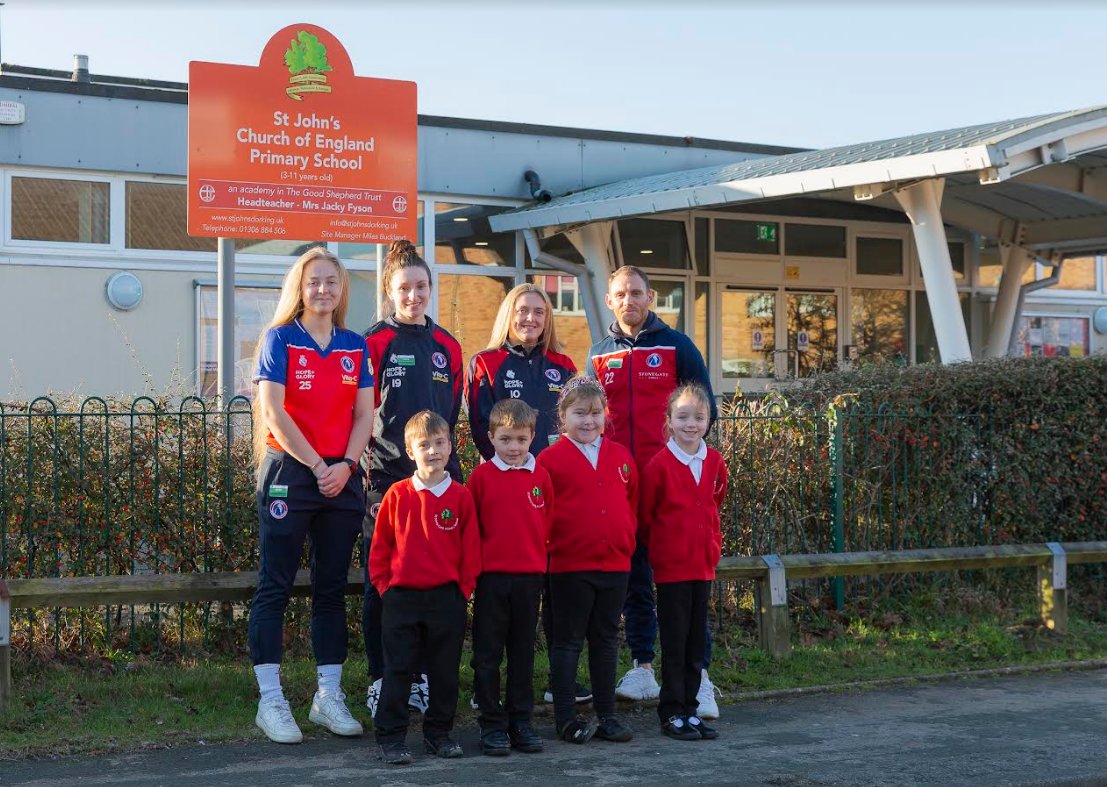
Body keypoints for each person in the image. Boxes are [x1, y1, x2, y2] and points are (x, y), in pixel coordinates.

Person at [248, 247, 375, 744]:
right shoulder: (279, 339)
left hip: (341, 477)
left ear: (342, 290)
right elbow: (275, 413)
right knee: (274, 586)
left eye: (332, 282)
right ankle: (271, 700)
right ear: (298, 288)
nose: (323, 289)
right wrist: (320, 465)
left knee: (330, 589)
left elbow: (364, 416)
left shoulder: (354, 345)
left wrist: (344, 465)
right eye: (314, 281)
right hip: (292, 472)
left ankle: (328, 696)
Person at [588, 264, 720, 717]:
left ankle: (698, 677)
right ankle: (644, 667)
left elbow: (704, 408)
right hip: (621, 489)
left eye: (637, 293)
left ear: (651, 297)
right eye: (621, 294)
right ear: (610, 300)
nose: (629, 300)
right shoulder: (600, 353)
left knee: (685, 583)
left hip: (670, 485)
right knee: (635, 576)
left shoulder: (677, 346)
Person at [465, 282, 590, 706]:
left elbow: (575, 424)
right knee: (499, 604)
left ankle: (561, 681)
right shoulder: (485, 362)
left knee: (556, 590)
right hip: (508, 492)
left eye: (539, 312)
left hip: (557, 489)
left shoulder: (564, 364)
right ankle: (487, 691)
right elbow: (481, 427)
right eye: (522, 311)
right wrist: (514, 469)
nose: (530, 319)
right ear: (508, 314)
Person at [362, 240, 465, 718]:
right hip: (388, 482)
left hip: (440, 485)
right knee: (382, 583)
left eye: (422, 286)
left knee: (434, 588)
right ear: (389, 290)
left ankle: (421, 678)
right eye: (405, 288)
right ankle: (382, 678)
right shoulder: (373, 343)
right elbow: (360, 416)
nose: (414, 296)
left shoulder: (448, 346)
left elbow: (453, 414)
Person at [369, 411, 480, 765]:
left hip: (447, 598)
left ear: (450, 446)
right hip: (402, 598)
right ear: (409, 450)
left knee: (445, 670)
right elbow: (381, 548)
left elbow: (472, 550)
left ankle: (439, 734)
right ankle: (391, 738)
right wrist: (387, 588)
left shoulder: (461, 497)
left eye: (439, 443)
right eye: (424, 445)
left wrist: (462, 590)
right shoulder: (397, 495)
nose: (432, 450)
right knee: (398, 669)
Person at [536, 376, 637, 745]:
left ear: (605, 415)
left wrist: (623, 538)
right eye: (579, 413)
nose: (588, 421)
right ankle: (566, 718)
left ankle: (607, 715)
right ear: (563, 416)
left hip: (614, 565)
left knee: (606, 640)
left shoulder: (620, 456)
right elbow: (540, 510)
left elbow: (632, 503)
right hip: (568, 566)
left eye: (595, 413)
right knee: (567, 642)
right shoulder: (549, 460)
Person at [638, 383, 727, 741]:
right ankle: (671, 711)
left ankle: (691, 710)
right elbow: (646, 518)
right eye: (683, 417)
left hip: (702, 565)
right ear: (670, 421)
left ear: (708, 421)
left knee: (695, 641)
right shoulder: (658, 466)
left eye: (699, 417)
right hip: (673, 569)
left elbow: (714, 501)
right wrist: (666, 548)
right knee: (674, 642)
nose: (691, 424)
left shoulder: (715, 462)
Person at [466, 399, 553, 756]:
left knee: (522, 654)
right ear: (491, 438)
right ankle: (491, 725)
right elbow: (471, 530)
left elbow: (548, 521)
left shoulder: (541, 476)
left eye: (520, 439)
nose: (514, 447)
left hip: (529, 578)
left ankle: (521, 722)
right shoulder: (481, 478)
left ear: (532, 436)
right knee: (488, 655)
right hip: (491, 580)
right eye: (505, 440)